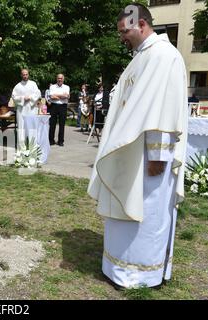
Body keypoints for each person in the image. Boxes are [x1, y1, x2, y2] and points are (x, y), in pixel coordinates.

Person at [87, 3, 188, 289]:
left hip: (149, 158)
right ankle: (119, 268)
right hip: (132, 154)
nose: (121, 38)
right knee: (126, 211)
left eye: (124, 31)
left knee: (147, 214)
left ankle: (141, 275)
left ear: (141, 24)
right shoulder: (142, 57)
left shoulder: (163, 56)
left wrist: (159, 154)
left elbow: (163, 109)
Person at [11, 69, 41, 146]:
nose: (25, 76)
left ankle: (32, 145)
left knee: (32, 126)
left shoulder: (33, 84)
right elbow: (14, 97)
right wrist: (23, 98)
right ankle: (22, 146)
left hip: (31, 108)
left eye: (26, 74)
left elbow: (38, 94)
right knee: (21, 127)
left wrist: (30, 97)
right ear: (21, 75)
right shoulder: (17, 86)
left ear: (28, 75)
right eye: (23, 74)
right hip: (21, 109)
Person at [47, 74, 70, 146]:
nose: (60, 79)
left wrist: (56, 95)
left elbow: (67, 96)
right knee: (52, 124)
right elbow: (51, 96)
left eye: (61, 78)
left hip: (63, 106)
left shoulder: (67, 87)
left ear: (63, 79)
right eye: (58, 78)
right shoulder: (52, 87)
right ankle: (51, 140)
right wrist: (62, 95)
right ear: (56, 79)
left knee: (62, 124)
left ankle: (60, 141)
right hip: (53, 106)